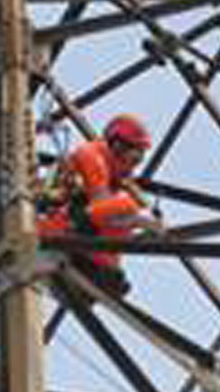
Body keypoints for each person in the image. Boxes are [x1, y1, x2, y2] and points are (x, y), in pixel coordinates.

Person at [37, 114, 161, 296]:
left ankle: (97, 270)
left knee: (123, 216)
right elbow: (103, 210)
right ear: (118, 146)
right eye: (134, 160)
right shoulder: (93, 156)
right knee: (125, 206)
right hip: (56, 226)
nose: (132, 168)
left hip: (72, 228)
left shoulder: (111, 174)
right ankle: (87, 264)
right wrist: (140, 220)